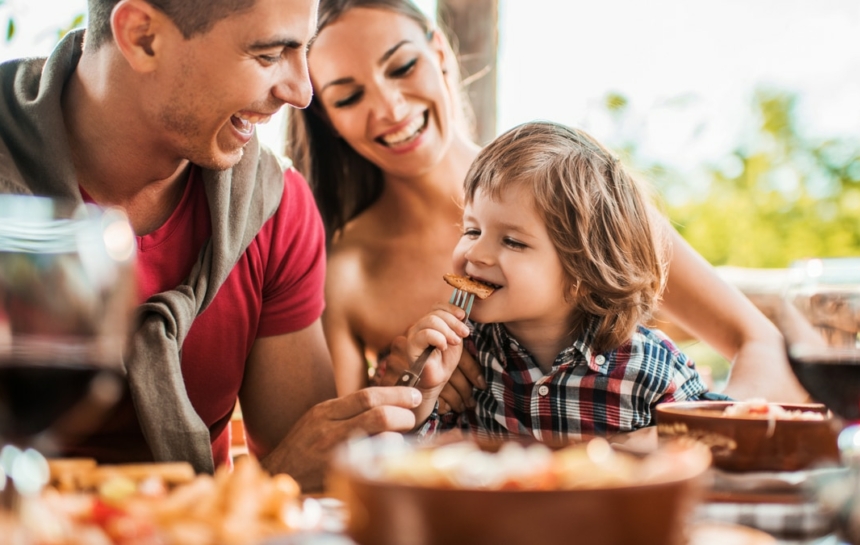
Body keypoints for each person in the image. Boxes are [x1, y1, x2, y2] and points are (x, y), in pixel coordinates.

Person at [289, 0, 808, 407]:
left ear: (440, 52)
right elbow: (339, 455)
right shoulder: (348, 270)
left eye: (401, 67)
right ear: (327, 117)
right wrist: (403, 386)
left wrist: (701, 447)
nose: (389, 108)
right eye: (349, 97)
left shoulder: (571, 192)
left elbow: (756, 341)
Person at [0, 0, 423, 492]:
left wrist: (408, 401)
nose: (302, 92)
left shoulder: (275, 210)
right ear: (142, 37)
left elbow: (308, 469)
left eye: (302, 49)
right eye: (269, 54)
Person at [401, 121, 725, 438]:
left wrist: (653, 446)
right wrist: (422, 396)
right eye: (472, 230)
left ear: (583, 273)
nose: (475, 253)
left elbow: (714, 449)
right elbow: (415, 466)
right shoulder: (462, 357)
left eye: (513, 241)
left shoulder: (650, 367)